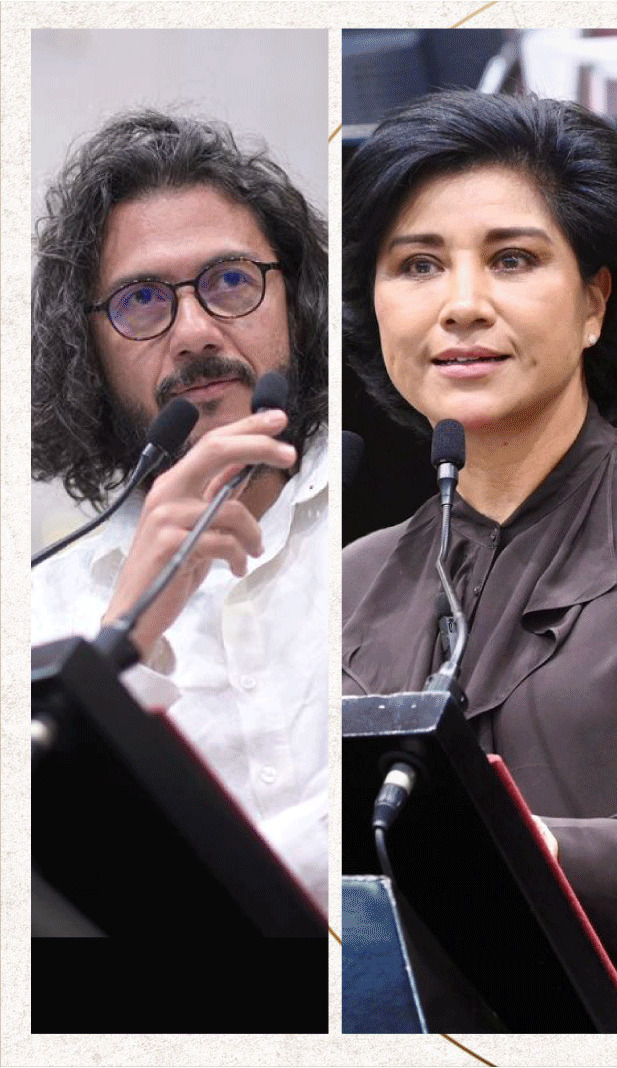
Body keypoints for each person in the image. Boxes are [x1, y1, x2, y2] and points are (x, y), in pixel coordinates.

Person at [340, 89, 617, 993]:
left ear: (593, 303)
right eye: (418, 265)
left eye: (512, 259)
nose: (462, 305)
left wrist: (537, 849)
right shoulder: (347, 582)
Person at [31, 111, 330, 911]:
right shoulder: (39, 614)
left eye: (230, 281)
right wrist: (121, 644)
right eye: (141, 300)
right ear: (86, 351)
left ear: (295, 301)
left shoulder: (405, 518)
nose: (195, 333)